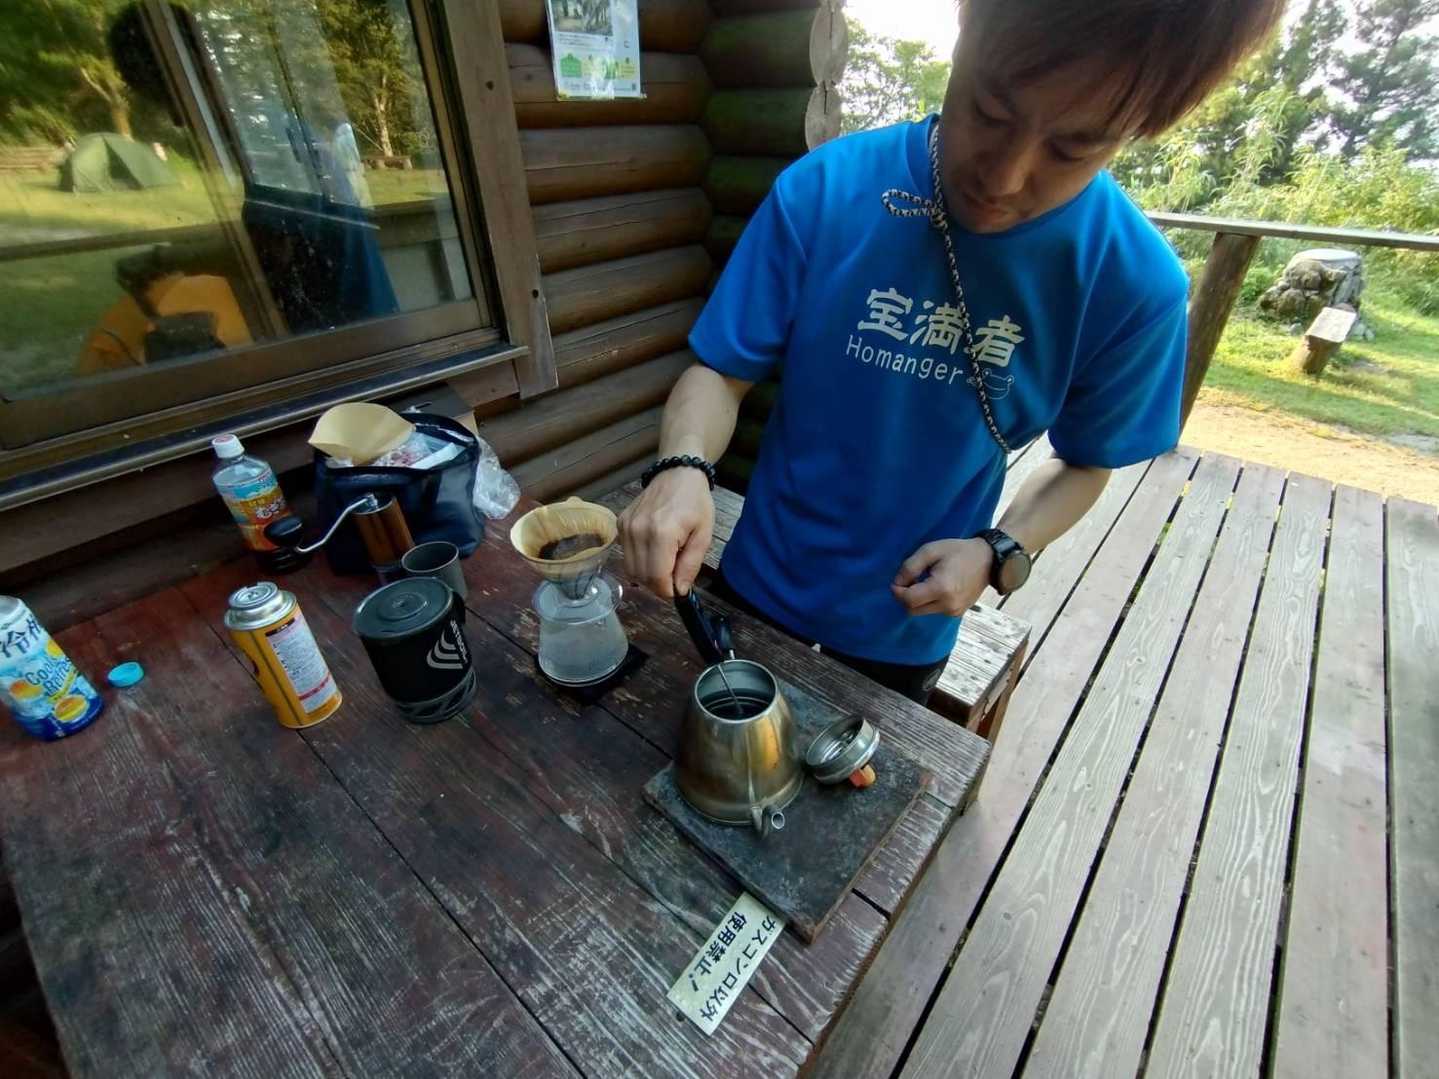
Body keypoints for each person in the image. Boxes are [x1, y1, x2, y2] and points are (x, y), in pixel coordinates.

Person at [619, 0, 1285, 704]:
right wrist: (683, 467)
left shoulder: (1133, 282)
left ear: (1140, 129)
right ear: (964, 26)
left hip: (908, 621)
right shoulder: (827, 188)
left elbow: (1086, 462)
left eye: (1072, 149)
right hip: (759, 575)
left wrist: (999, 550)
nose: (1003, 179)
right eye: (988, 112)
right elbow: (721, 371)